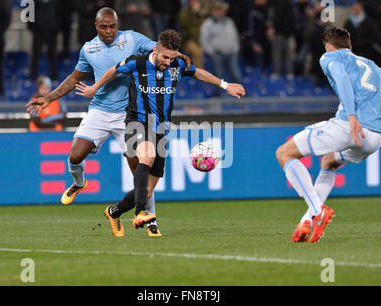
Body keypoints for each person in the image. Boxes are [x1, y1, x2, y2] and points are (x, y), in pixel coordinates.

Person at [27, 8, 190, 237]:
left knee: (142, 171)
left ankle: (150, 221)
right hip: (100, 111)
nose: (109, 31)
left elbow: (159, 48)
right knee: (75, 156)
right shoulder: (89, 49)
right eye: (104, 27)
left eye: (112, 26)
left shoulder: (132, 38)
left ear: (117, 24)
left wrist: (179, 54)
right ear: (96, 26)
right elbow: (75, 78)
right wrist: (48, 98)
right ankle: (80, 182)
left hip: (130, 114)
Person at [75, 29, 245, 237]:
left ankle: (114, 211)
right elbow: (113, 70)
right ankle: (141, 212)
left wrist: (225, 85)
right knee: (147, 156)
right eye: (165, 57)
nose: (168, 61)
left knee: (147, 190)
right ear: (155, 50)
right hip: (135, 121)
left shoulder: (177, 65)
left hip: (161, 128)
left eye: (172, 57)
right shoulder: (137, 62)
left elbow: (198, 72)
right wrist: (94, 88)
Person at [275, 27, 381, 244]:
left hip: (349, 126)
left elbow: (342, 78)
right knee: (329, 161)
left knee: (284, 154)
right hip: (373, 138)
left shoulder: (329, 57)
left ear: (328, 46)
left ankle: (318, 210)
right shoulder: (372, 66)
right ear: (350, 46)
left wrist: (352, 116)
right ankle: (307, 221)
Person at [199, 1, 242, 95]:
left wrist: (235, 50)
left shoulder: (229, 21)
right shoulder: (208, 23)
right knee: (217, 77)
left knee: (236, 75)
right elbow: (204, 39)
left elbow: (234, 36)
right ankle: (218, 95)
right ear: (215, 11)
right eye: (221, 10)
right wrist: (211, 52)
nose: (223, 12)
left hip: (230, 53)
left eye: (224, 10)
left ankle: (241, 94)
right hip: (217, 54)